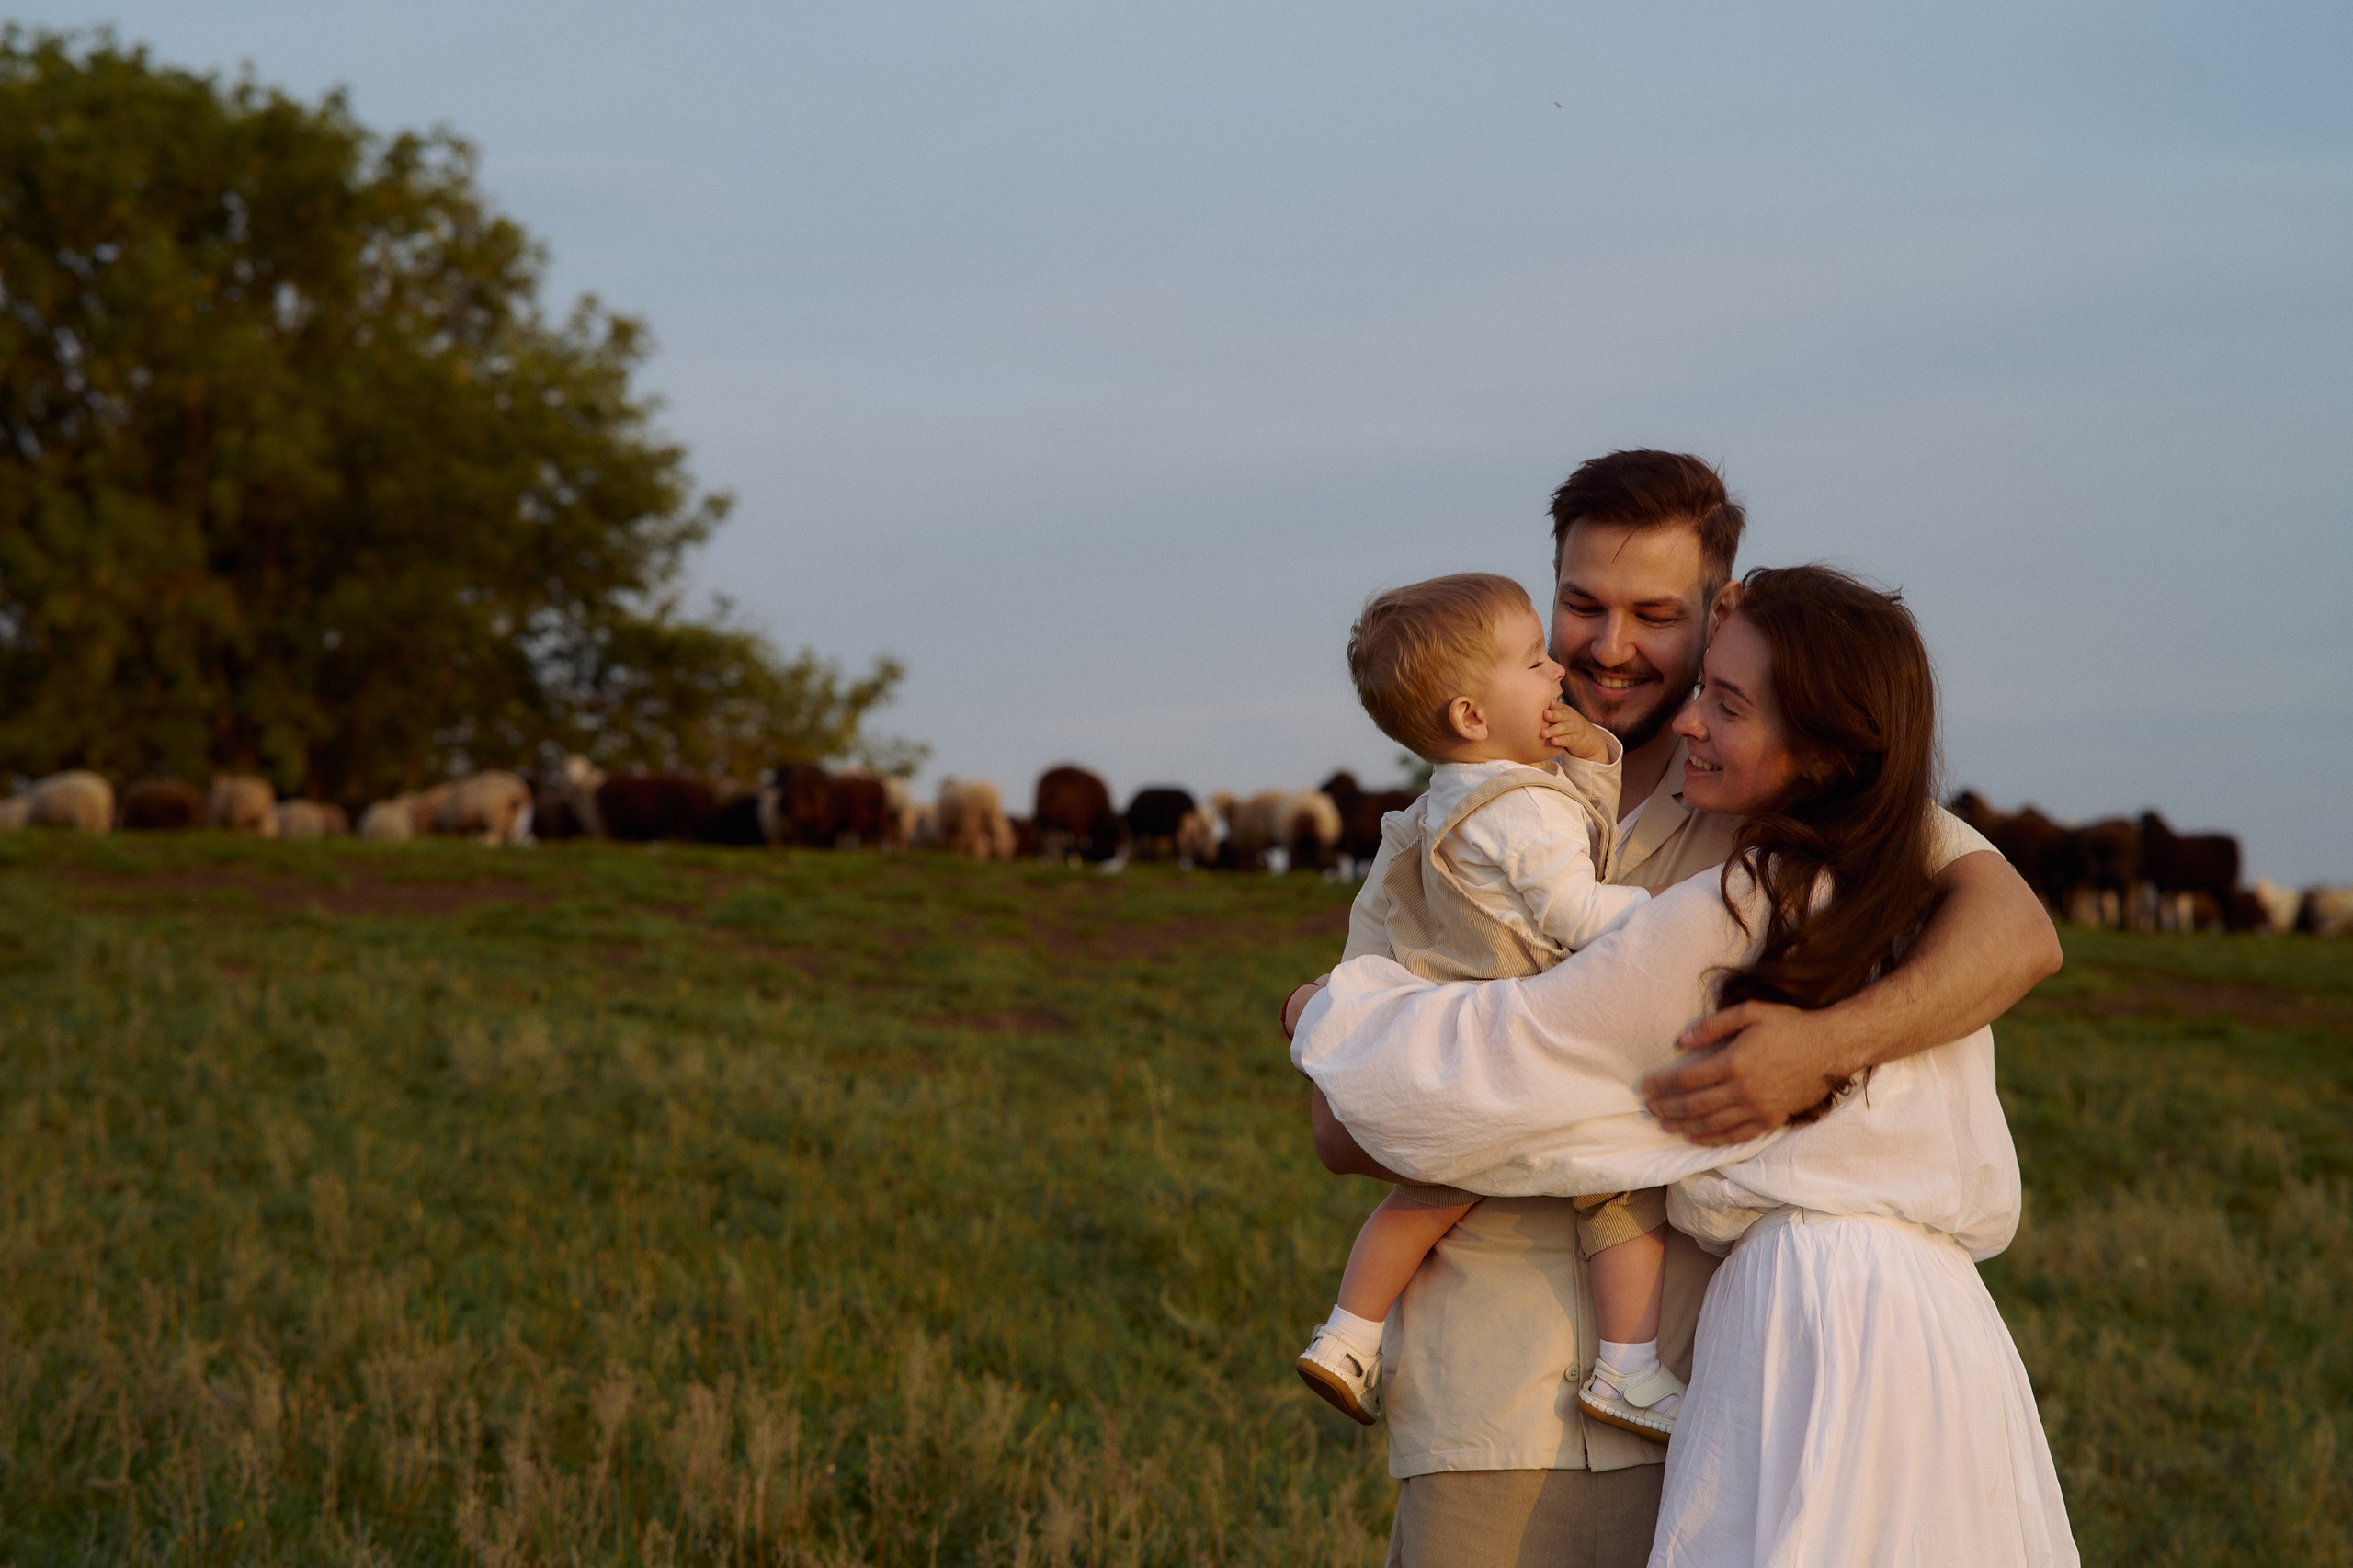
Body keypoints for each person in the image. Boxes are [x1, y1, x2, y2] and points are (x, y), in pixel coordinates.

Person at [1300, 451, 2063, 1568]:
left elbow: (2017, 934)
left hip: (1731, 1385)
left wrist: (1819, 1046)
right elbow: (1340, 1124)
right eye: (1581, 605)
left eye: (1655, 614)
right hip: (1500, 1398)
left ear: (1721, 609)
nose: (1610, 647)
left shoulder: (1794, 797)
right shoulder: (1434, 838)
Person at [1295, 573, 1675, 1444]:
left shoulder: (1443, 804)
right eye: (1537, 661)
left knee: (1429, 1191)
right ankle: (1629, 1369)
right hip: (1531, 1039)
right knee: (1621, 1190)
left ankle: (1349, 1336)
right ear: (1473, 717)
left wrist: (1588, 748)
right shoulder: (1530, 806)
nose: (1559, 675)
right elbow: (1576, 916)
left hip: (1454, 1039)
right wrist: (1670, 916)